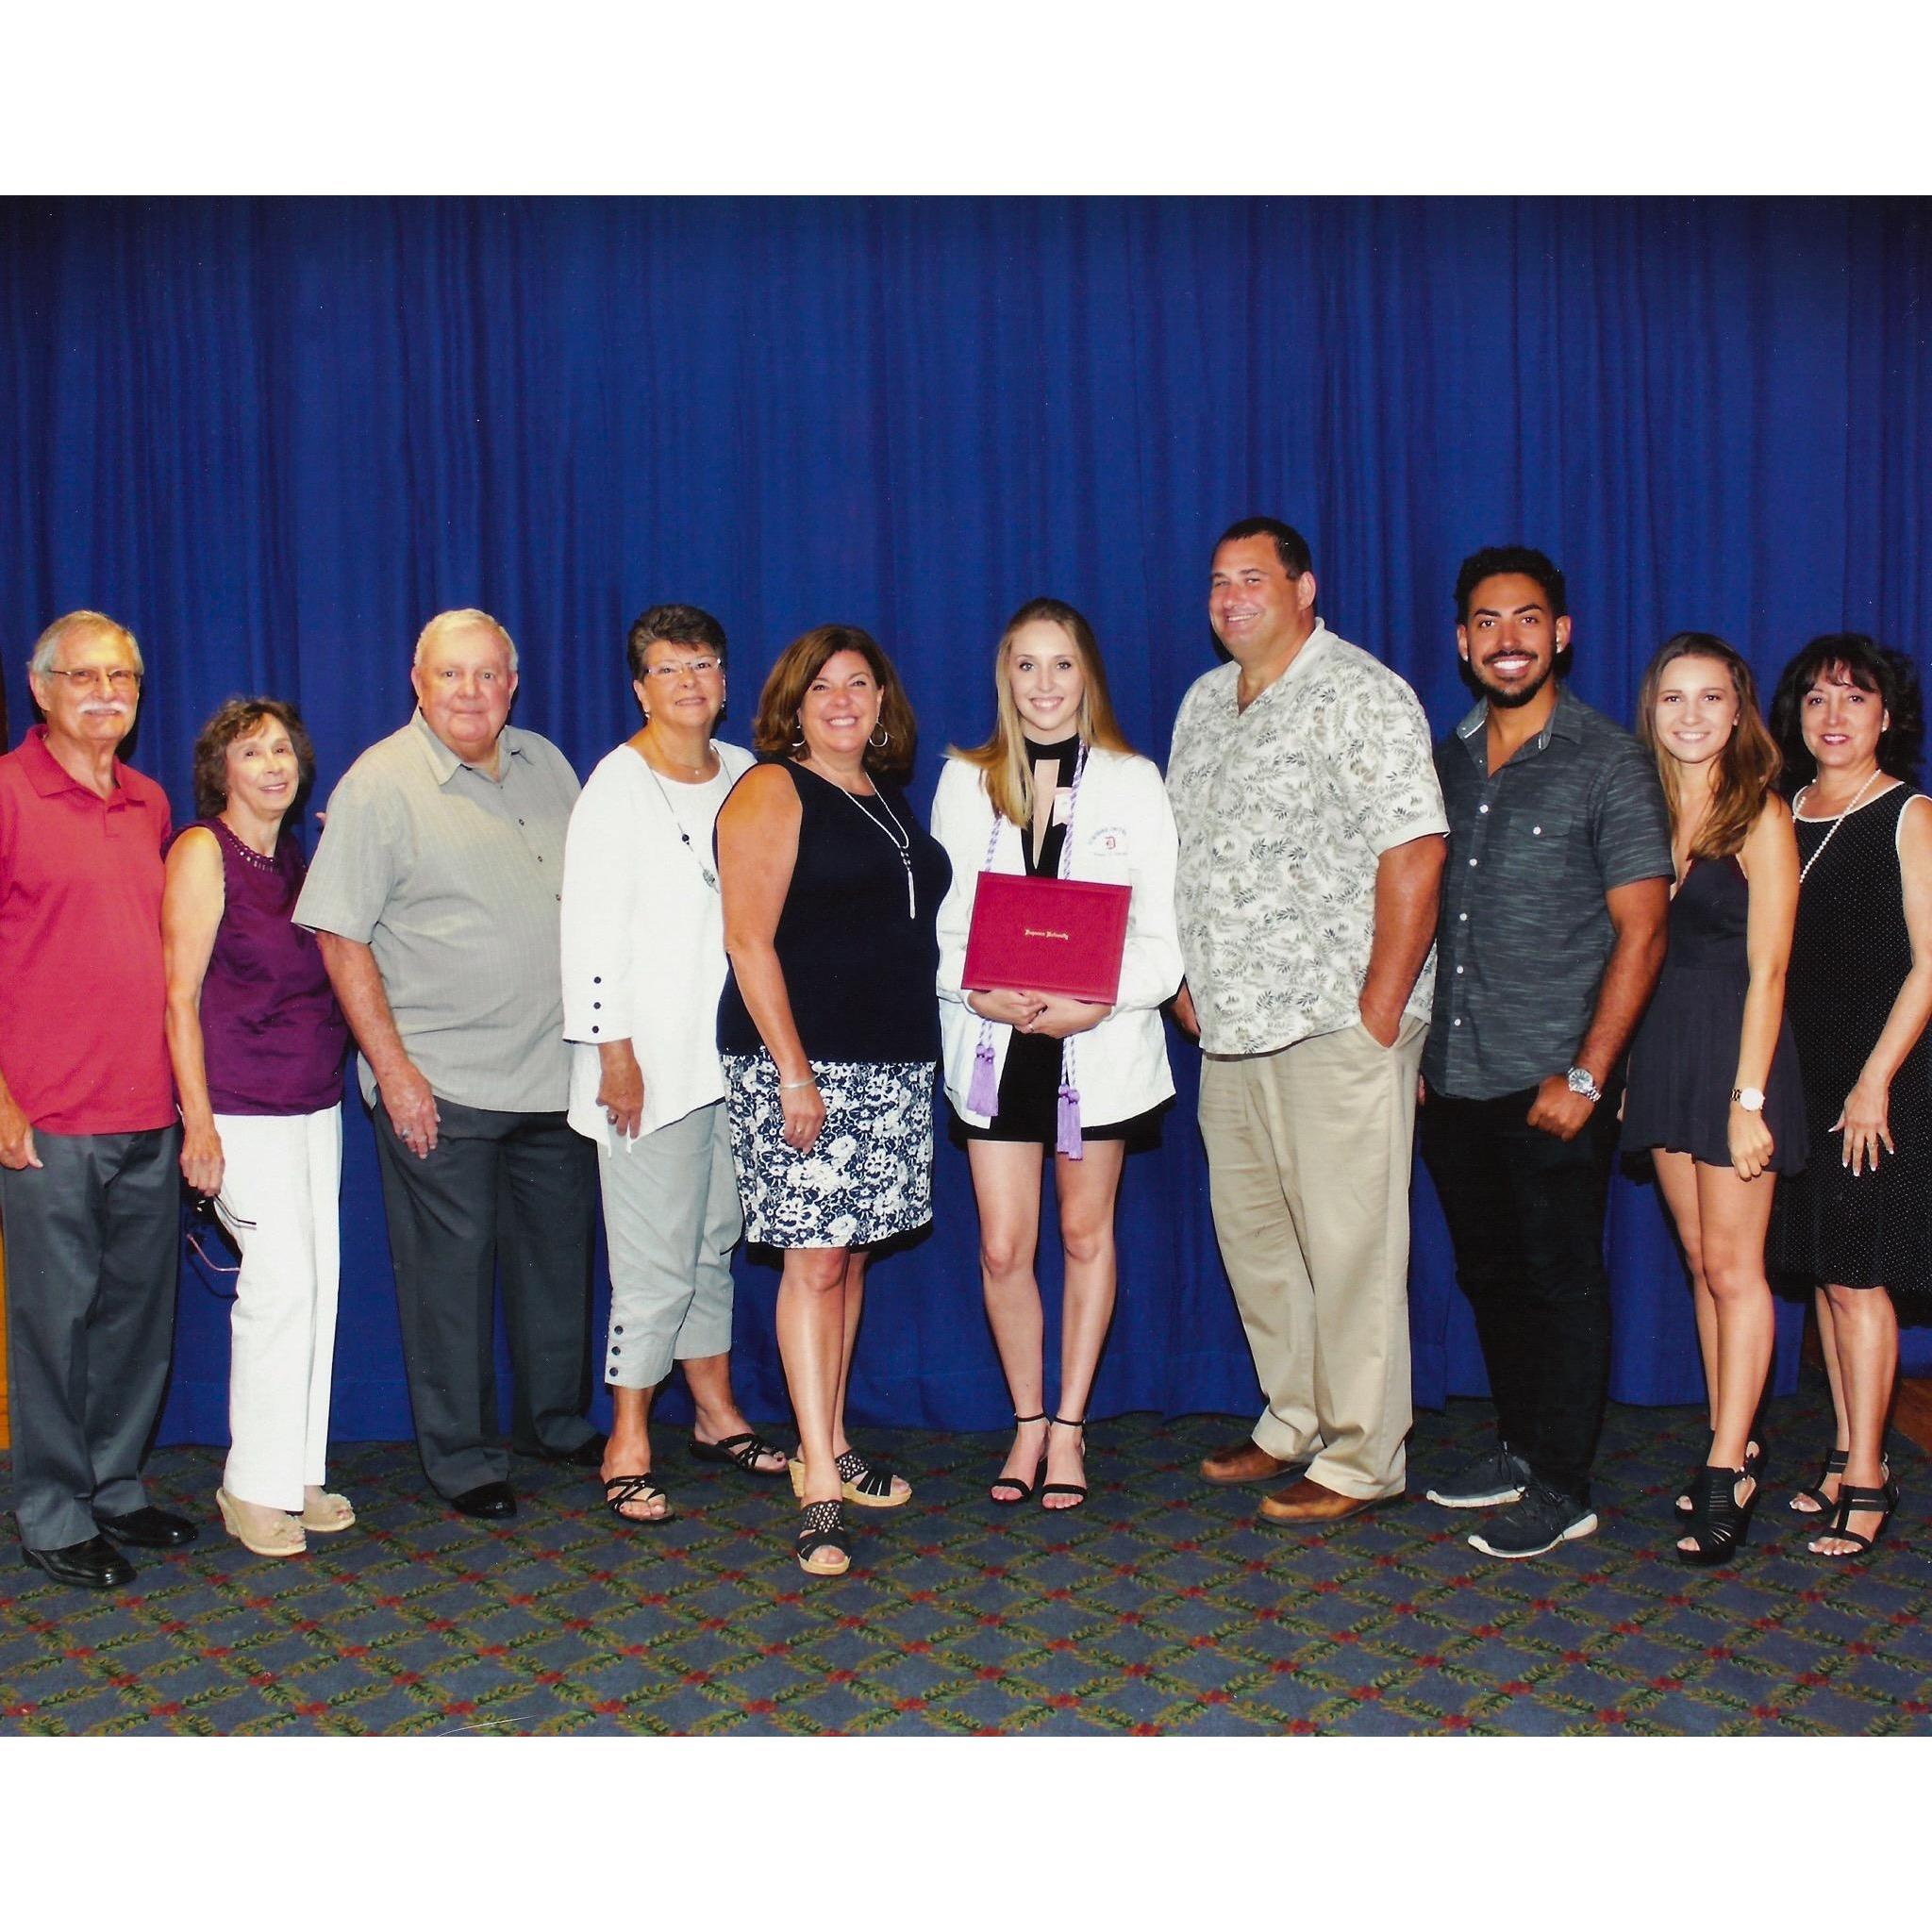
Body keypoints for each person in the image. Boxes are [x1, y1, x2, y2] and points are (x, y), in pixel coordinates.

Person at [1168, 518, 1447, 1526]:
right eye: (1217, 581)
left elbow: (1414, 851)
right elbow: (1183, 853)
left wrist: (1377, 1010)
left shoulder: (1360, 693)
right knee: (1257, 1239)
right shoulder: (1203, 702)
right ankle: (1293, 1415)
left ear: (1302, 588)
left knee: (1349, 1242)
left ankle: (1366, 1453)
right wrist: (1174, 980)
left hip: (1335, 1023)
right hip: (1230, 1027)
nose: (1232, 596)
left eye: (1252, 577)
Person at [295, 608, 602, 1520]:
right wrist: (393, 1073)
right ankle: (464, 1458)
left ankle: (551, 1418)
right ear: (418, 683)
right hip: (442, 1083)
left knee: (558, 1267)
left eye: (488, 675)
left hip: (557, 1074)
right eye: (452, 676)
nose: (472, 693)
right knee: (449, 1283)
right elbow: (340, 938)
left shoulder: (548, 763)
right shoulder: (378, 785)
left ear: (513, 684)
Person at [1419, 547, 1673, 1559]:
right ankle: (1521, 1448)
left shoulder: (1607, 760)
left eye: (1526, 619)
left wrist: (1586, 1073)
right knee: (1490, 1275)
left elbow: (1641, 932)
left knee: (1562, 1280)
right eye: (1485, 621)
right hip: (1454, 1077)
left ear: (1559, 632)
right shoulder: (1442, 760)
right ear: (1461, 640)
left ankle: (1563, 1483)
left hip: (1552, 1082)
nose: (1506, 639)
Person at [932, 597, 1182, 1510]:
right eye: (1026, 665)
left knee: (1084, 1233)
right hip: (997, 1042)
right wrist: (972, 987)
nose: (1043, 685)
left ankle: (1071, 1426)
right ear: (1004, 674)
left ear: (1088, 676)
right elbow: (941, 922)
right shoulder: (965, 779)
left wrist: (1098, 1000)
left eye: (1061, 665)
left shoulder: (1132, 780)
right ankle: (1026, 1419)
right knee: (1004, 1248)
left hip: (1095, 1043)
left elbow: (1162, 934)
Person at [715, 625, 952, 1577]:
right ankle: (815, 1480)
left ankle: (832, 1437)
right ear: (794, 704)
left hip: (890, 1064)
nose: (844, 699)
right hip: (804, 1068)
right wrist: (794, 1071)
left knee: (846, 1262)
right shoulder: (772, 788)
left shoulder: (885, 798)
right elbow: (747, 941)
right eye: (824, 687)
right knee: (812, 1266)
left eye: (862, 684)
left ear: (883, 701)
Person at [559, 605, 786, 1527]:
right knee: (651, 1261)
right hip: (644, 1065)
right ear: (639, 685)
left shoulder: (744, 774)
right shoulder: (615, 785)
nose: (690, 682)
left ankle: (715, 1410)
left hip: (728, 1060)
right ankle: (627, 1435)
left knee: (711, 1246)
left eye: (705, 664)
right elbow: (587, 931)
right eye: (669, 668)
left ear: (724, 679)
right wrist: (612, 1051)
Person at [0, 610, 197, 1588]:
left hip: (145, 1109)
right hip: (44, 1119)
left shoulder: (151, 801)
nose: (107, 693)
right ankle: (50, 1508)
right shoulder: (5, 793)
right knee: (51, 1325)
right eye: (85, 677)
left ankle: (115, 1485)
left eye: (122, 676)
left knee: (134, 1319)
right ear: (41, 689)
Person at [1621, 636, 1805, 1564]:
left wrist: (1746, 1097)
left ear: (1738, 711)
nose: (1690, 715)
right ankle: (1725, 1433)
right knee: (1700, 1263)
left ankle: (1728, 1462)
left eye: (1709, 697)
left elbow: (1769, 968)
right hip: (1661, 1052)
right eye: (1671, 699)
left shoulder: (1760, 813)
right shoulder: (1642, 809)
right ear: (1649, 711)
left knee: (1737, 1269)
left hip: (1738, 1052)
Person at [162, 698, 355, 1558]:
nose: (273, 764)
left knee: (316, 1291)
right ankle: (251, 1486)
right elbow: (178, 996)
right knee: (275, 1292)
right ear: (222, 771)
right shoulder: (203, 853)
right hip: (239, 1108)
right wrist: (196, 1123)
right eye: (252, 753)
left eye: (283, 749)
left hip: (316, 1101)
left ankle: (296, 1470)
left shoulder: (300, 861)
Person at [1766, 634, 1932, 1559]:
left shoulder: (1907, 813)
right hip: (1801, 1071)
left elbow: (1928, 962)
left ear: (1884, 715)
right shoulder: (1781, 809)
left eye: (1853, 699)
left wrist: (1873, 1080)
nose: (1832, 716)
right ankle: (1842, 1448)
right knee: (1826, 1271)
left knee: (1857, 1275)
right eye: (1817, 698)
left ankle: (1867, 1480)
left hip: (1878, 1075)